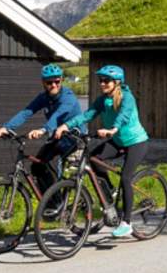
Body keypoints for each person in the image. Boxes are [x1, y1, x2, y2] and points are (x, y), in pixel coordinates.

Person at [55, 63, 148, 239]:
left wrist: (113, 129)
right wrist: (66, 125)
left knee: (126, 178)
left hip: (136, 142)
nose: (102, 83)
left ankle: (126, 223)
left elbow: (124, 116)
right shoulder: (103, 100)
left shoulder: (127, 97)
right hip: (118, 141)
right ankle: (110, 192)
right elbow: (87, 115)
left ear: (117, 82)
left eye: (106, 80)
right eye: (101, 80)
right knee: (93, 157)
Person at [0, 64, 83, 189]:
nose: (53, 85)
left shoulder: (68, 97)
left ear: (61, 80)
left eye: (57, 81)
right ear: (43, 82)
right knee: (37, 166)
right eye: (49, 82)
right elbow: (27, 112)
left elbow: (57, 115)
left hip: (73, 137)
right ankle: (52, 203)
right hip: (56, 137)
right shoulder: (44, 98)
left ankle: (66, 196)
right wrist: (7, 127)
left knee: (62, 166)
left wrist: (43, 130)